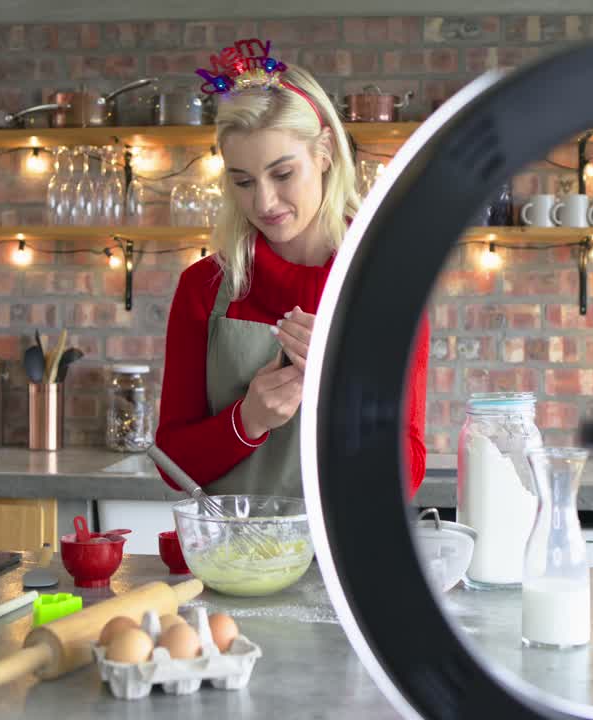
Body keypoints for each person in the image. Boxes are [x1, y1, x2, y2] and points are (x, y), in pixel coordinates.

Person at [154, 49, 429, 499]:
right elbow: (172, 463)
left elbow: (406, 477)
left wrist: (344, 386)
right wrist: (248, 421)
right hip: (231, 563)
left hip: (342, 564)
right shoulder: (204, 288)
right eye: (243, 181)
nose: (264, 202)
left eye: (282, 174)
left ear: (323, 152)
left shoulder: (389, 290)